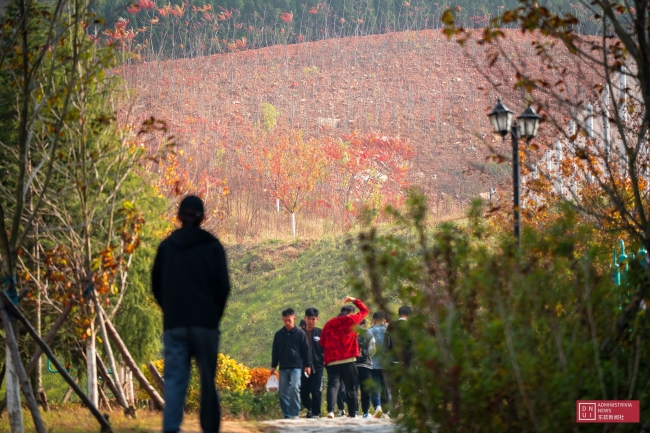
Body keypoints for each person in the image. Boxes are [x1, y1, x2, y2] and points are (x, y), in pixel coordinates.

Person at [152, 195, 231, 433]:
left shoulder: (166, 247)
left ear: (178, 217)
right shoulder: (212, 246)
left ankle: (171, 428)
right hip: (205, 325)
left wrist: (170, 309)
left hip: (175, 324)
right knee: (208, 381)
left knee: (175, 382)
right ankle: (209, 429)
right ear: (203, 217)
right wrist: (213, 316)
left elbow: (156, 285)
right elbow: (223, 287)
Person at [319, 296, 369, 419]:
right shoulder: (351, 321)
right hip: (348, 359)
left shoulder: (329, 324)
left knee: (333, 385)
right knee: (350, 387)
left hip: (332, 361)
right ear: (350, 313)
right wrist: (354, 300)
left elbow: (322, 342)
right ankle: (353, 413)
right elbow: (365, 310)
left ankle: (330, 411)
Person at [271, 308, 312, 419]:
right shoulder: (279, 335)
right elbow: (275, 351)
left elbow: (306, 350)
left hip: (297, 367)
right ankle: (286, 415)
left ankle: (295, 414)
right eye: (285, 320)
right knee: (283, 393)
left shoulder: (300, 334)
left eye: (289, 320)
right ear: (282, 320)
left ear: (294, 318)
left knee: (294, 388)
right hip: (283, 367)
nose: (287, 323)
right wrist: (273, 366)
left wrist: (307, 365)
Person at [300, 307, 324, 418]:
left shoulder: (320, 333)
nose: (311, 321)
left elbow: (326, 349)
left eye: (313, 319)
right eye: (309, 318)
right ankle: (310, 408)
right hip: (303, 368)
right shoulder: (300, 334)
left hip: (317, 367)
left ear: (317, 320)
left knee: (316, 391)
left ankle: (315, 413)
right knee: (303, 392)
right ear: (305, 318)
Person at [368, 311, 390, 418]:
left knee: (375, 386)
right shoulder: (389, 332)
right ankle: (386, 411)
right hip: (387, 364)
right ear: (384, 321)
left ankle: (377, 407)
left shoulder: (370, 331)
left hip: (373, 364)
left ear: (374, 321)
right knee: (385, 387)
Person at [354, 319, 376, 418]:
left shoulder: (351, 334)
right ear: (364, 325)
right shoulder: (369, 334)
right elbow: (373, 349)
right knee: (365, 390)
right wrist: (366, 353)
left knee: (353, 388)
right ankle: (365, 412)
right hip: (366, 365)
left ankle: (354, 411)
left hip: (353, 365)